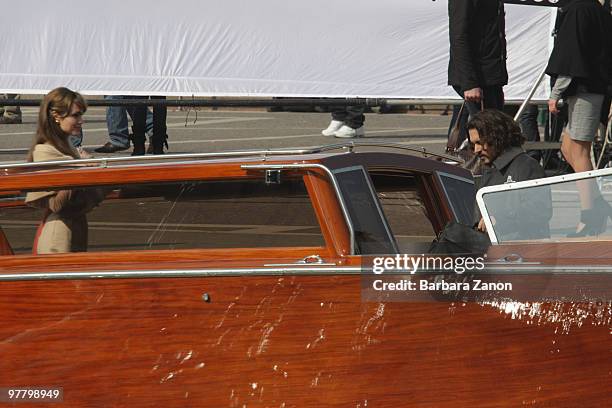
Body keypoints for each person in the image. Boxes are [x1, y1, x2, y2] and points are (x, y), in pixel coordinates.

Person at [545, 0, 612, 236]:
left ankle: (590, 214)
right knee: (567, 147)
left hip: (585, 89)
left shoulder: (578, 10)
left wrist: (555, 93)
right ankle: (597, 202)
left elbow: (570, 55)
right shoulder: (596, 10)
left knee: (579, 149)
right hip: (589, 87)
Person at [25, 87, 104, 254]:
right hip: (59, 234)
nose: (81, 120)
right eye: (75, 115)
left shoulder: (66, 149)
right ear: (56, 116)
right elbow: (56, 204)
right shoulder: (44, 151)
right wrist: (79, 168)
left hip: (72, 228)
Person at [468, 110, 552, 240]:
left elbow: (539, 211)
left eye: (479, 142)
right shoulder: (485, 169)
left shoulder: (527, 166)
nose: (476, 150)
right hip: (490, 248)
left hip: (522, 249)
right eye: (473, 144)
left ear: (496, 137)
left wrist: (499, 220)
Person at [448, 0, 507, 115]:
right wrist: (470, 83)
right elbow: (458, 37)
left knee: (487, 128)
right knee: (486, 129)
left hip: (490, 77)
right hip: (477, 77)